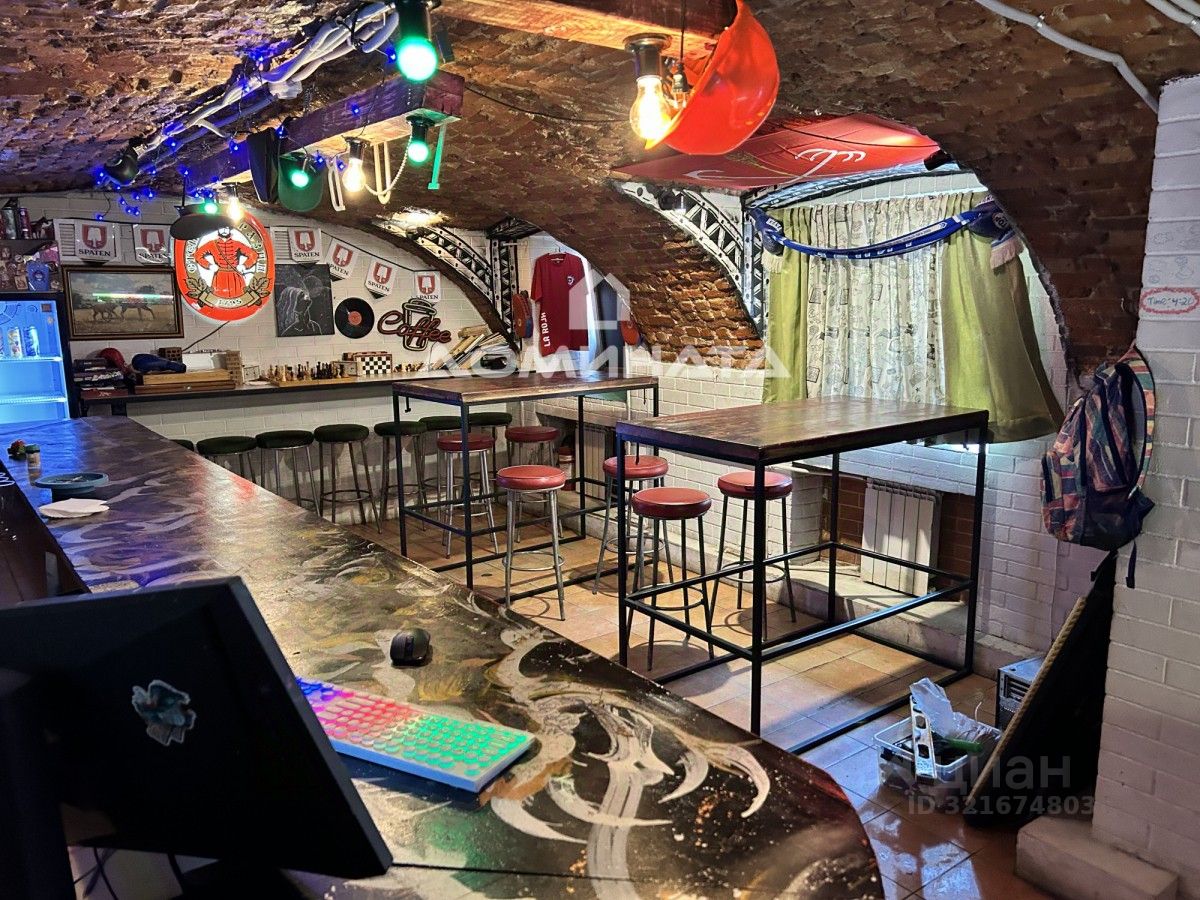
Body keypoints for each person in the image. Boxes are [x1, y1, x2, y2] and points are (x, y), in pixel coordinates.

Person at [193, 226, 258, 300]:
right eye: (221, 227)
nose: (224, 230)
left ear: (229, 229)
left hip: (235, 276)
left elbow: (254, 255)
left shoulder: (237, 244)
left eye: (226, 228)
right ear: (218, 229)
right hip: (220, 276)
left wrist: (244, 265)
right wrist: (209, 265)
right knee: (218, 297)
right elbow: (197, 255)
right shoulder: (212, 244)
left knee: (239, 296)